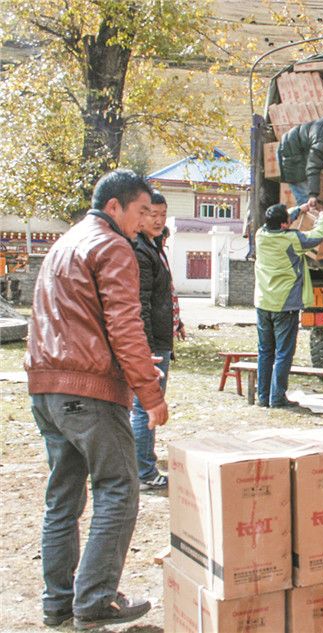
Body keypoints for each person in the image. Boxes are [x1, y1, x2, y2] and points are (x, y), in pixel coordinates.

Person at [25, 169, 168, 629]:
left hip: (47, 389)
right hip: (89, 393)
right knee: (119, 489)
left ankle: (58, 602)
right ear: (114, 207)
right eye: (141, 211)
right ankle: (95, 600)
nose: (145, 222)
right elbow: (125, 325)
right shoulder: (112, 246)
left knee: (62, 499)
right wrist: (150, 393)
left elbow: (71, 320)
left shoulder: (64, 242)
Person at [130, 191, 184, 491]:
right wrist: (147, 349)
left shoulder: (154, 245)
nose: (159, 220)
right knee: (145, 407)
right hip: (151, 346)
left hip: (161, 339)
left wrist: (177, 322)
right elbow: (142, 304)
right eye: (153, 214)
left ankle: (140, 466)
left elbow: (164, 294)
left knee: (144, 406)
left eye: (163, 214)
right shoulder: (140, 251)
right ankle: (144, 472)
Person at [254, 203, 323, 408]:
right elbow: (317, 235)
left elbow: (283, 218)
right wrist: (322, 217)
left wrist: (300, 209)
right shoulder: (292, 239)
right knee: (283, 353)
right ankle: (277, 398)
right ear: (284, 225)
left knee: (265, 351)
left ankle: (263, 397)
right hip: (284, 305)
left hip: (263, 302)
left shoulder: (260, 234)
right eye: (288, 220)